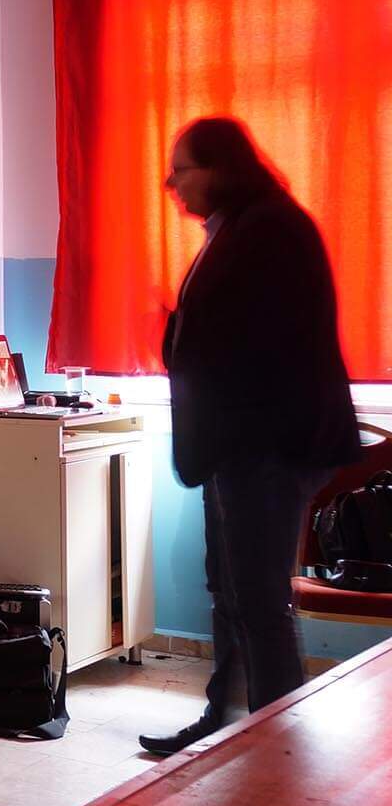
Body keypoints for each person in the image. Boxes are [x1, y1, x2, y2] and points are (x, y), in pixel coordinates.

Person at [139, 117, 360, 755]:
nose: (171, 183)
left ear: (221, 168)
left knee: (259, 601)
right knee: (228, 589)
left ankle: (273, 744)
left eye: (182, 169)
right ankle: (225, 720)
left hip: (266, 446)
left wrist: (186, 333)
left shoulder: (271, 229)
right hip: (236, 446)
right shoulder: (241, 228)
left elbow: (261, 343)